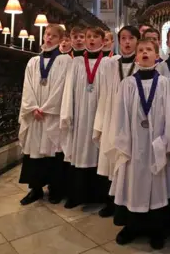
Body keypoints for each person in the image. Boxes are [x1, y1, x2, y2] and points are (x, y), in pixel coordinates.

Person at [108, 38, 170, 249]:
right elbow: (120, 115)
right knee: (133, 184)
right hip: (133, 145)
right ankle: (132, 226)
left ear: (157, 55)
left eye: (149, 50)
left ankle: (156, 230)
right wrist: (124, 141)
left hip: (156, 143)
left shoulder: (165, 83)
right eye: (140, 50)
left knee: (156, 185)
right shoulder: (128, 84)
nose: (144, 53)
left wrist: (167, 140)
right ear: (136, 56)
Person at [18, 24, 71, 205]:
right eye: (47, 35)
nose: (48, 38)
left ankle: (55, 189)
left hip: (52, 115)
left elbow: (62, 88)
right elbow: (27, 87)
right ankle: (36, 189)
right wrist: (33, 108)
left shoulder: (65, 61)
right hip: (35, 115)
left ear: (61, 40)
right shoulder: (33, 61)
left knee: (53, 152)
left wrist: (46, 109)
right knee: (34, 153)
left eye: (53, 36)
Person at [93, 25, 141, 217]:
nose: (127, 42)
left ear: (138, 41)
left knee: (128, 163)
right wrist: (101, 123)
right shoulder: (110, 64)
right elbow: (104, 94)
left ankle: (127, 202)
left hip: (133, 125)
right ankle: (111, 202)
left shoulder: (142, 66)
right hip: (113, 119)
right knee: (111, 160)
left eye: (131, 38)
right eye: (123, 39)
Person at [60, 26, 108, 208]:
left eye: (96, 37)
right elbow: (68, 91)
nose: (92, 40)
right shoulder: (76, 62)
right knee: (79, 154)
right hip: (80, 116)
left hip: (100, 114)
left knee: (98, 154)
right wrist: (67, 114)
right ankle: (77, 195)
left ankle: (99, 196)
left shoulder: (108, 64)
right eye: (89, 37)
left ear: (103, 41)